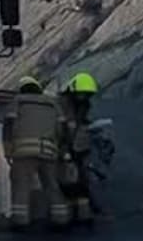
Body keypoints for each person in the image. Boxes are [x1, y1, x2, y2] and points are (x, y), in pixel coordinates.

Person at [6, 75, 69, 231]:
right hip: (48, 151)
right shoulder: (53, 104)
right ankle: (60, 219)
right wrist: (60, 149)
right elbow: (62, 129)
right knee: (52, 185)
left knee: (22, 186)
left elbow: (8, 127)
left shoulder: (17, 102)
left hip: (23, 152)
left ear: (21, 89)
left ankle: (21, 221)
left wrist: (8, 151)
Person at [56, 71, 100, 226]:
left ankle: (81, 215)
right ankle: (71, 216)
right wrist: (64, 150)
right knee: (68, 183)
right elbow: (63, 129)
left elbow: (77, 125)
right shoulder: (62, 105)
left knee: (78, 183)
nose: (83, 97)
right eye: (81, 94)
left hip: (78, 150)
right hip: (66, 150)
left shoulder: (82, 106)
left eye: (86, 95)